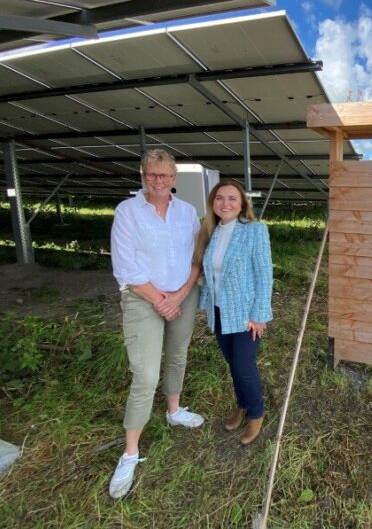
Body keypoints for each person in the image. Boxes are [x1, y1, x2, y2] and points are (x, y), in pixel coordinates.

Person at [108, 149, 204, 499]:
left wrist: (178, 296)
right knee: (145, 374)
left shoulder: (188, 212)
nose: (158, 181)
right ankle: (130, 452)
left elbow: (197, 256)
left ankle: (174, 411)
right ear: (142, 176)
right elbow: (126, 267)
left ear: (174, 179)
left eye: (164, 176)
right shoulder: (128, 211)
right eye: (151, 175)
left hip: (182, 295)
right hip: (142, 298)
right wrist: (161, 300)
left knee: (178, 355)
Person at [195, 180, 273, 446]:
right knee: (232, 363)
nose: (225, 203)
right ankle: (241, 404)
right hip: (219, 311)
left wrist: (259, 313)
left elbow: (265, 275)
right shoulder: (212, 231)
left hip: (244, 314)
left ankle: (256, 412)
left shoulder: (254, 231)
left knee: (243, 364)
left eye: (231, 198)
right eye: (219, 198)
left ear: (242, 204)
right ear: (213, 203)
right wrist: (205, 306)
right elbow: (210, 275)